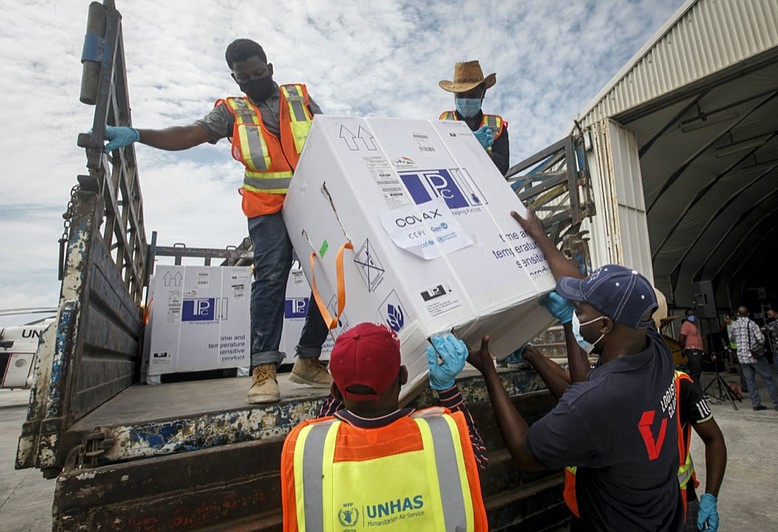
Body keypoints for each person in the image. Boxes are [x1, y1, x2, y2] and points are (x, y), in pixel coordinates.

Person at [100, 39, 331, 404]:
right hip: (267, 209)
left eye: (258, 73)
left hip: (311, 203)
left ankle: (308, 358)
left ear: (269, 68)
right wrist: (138, 135)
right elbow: (189, 134)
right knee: (272, 275)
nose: (253, 80)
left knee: (329, 276)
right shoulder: (232, 111)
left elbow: (328, 138)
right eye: (245, 77)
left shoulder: (299, 98)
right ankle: (264, 370)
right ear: (235, 79)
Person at [467, 208, 683, 531]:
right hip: (660, 517)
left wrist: (489, 370)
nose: (576, 314)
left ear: (606, 325)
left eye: (580, 311)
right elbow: (582, 284)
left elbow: (525, 454)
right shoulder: (654, 347)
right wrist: (540, 237)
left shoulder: (601, 400)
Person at [526, 296, 726, 532]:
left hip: (665, 501)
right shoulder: (615, 369)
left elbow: (714, 439)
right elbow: (577, 390)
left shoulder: (678, 384)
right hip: (604, 500)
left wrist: (711, 497)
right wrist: (533, 356)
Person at [280, 323, 488, 531]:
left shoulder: (308, 447)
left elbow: (325, 427)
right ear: (403, 376)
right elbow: (476, 459)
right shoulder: (439, 435)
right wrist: (447, 388)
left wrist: (349, 376)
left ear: (334, 391)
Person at [439, 60, 510, 175]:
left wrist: (484, 152)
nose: (466, 100)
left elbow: (503, 167)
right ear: (454, 95)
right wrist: (469, 145)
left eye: (472, 95)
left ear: (483, 94)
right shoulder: (443, 122)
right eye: (460, 95)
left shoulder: (497, 126)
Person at [730, 306, 778, 411]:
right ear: (748, 314)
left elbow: (732, 339)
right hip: (754, 356)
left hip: (742, 357)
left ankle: (756, 404)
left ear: (738, 314)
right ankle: (777, 403)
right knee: (768, 378)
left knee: (750, 381)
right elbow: (761, 339)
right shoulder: (752, 324)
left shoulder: (734, 325)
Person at [679, 309, 705, 392]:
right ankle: (696, 390)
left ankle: (695, 389)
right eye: (690, 315)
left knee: (698, 370)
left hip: (698, 350)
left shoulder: (693, 325)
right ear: (686, 316)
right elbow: (682, 338)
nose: (692, 316)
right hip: (691, 349)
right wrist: (682, 348)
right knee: (695, 371)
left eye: (693, 314)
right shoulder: (686, 325)